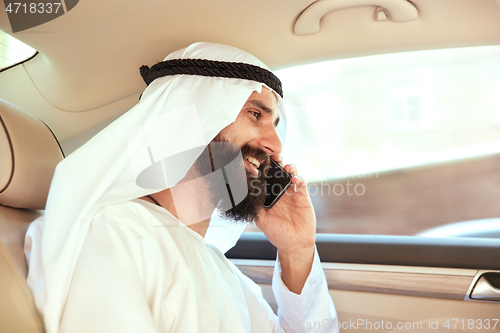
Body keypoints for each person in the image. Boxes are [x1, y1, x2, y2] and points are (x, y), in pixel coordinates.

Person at [24, 42, 338, 333]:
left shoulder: (222, 270)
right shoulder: (112, 233)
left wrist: (297, 250)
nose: (275, 144)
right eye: (255, 114)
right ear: (190, 118)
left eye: (276, 126)